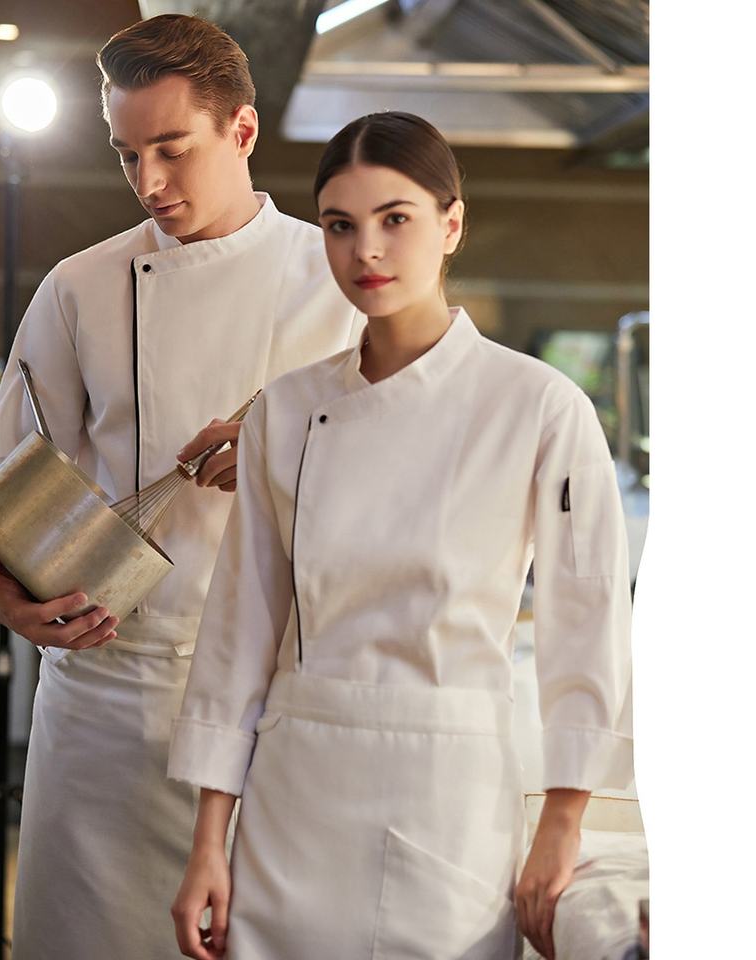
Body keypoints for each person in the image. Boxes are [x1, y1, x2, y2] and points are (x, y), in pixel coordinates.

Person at [168, 111, 635, 960]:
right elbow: (240, 630)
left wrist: (561, 820)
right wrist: (209, 839)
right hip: (292, 799)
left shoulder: (536, 406)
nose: (366, 251)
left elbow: (588, 620)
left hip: (446, 798)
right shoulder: (285, 410)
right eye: (339, 226)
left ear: (451, 225)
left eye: (395, 219)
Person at [0, 15, 360, 960]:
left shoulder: (340, 283)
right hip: (104, 697)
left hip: (276, 702)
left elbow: (413, 483)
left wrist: (287, 452)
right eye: (126, 154)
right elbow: (1, 476)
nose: (148, 183)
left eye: (172, 149)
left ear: (242, 131)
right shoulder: (79, 287)